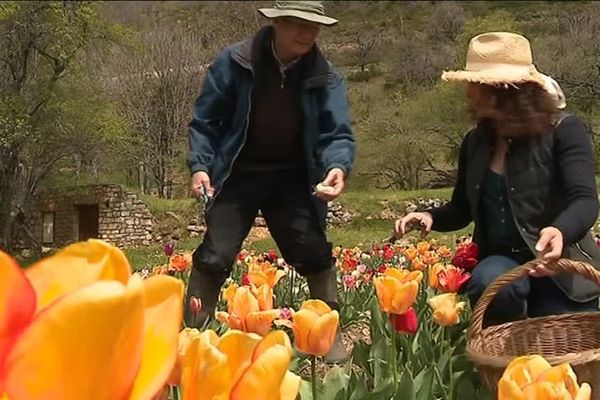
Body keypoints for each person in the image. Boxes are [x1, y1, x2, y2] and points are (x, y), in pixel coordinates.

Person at [186, 1, 355, 362]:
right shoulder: (234, 63)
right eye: (297, 23)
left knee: (313, 251)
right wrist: (201, 166)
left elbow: (335, 133)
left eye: (314, 25)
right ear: (276, 23)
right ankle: (191, 334)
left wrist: (336, 167)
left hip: (292, 176)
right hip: (237, 172)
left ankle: (327, 338)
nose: (307, 33)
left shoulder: (324, 75)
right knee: (215, 254)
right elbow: (205, 122)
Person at [395, 32, 600, 326]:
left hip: (560, 264)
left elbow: (584, 201)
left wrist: (560, 231)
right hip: (502, 261)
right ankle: (505, 337)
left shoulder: (564, 131)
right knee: (492, 282)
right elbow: (462, 209)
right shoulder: (475, 143)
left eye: (475, 84)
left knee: (561, 348)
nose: (468, 93)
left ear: (503, 89)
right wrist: (429, 216)